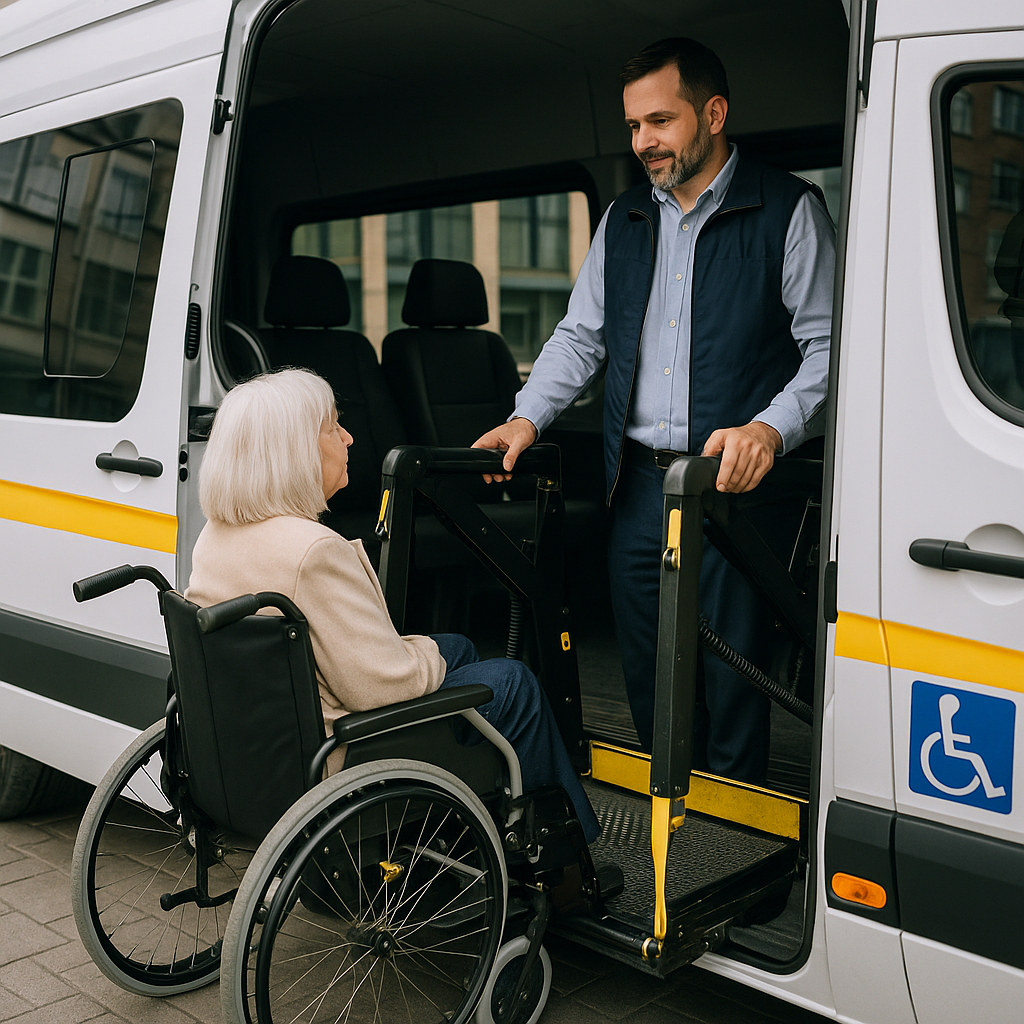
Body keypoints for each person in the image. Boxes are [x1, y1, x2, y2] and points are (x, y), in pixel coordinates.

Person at [473, 38, 835, 783]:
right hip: (636, 488)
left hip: (733, 489)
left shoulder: (789, 209)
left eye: (660, 122)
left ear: (713, 112)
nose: (643, 143)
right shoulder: (625, 219)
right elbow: (580, 338)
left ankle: (732, 855)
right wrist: (525, 418)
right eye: (635, 125)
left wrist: (771, 428)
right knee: (646, 666)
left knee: (734, 682)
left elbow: (829, 352)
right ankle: (672, 834)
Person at [185, 367, 599, 841]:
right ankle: (568, 853)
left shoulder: (216, 537)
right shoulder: (310, 551)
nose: (349, 437)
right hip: (342, 756)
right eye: (333, 427)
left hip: (265, 745)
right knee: (514, 684)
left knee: (459, 647)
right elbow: (381, 688)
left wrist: (430, 653)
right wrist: (424, 656)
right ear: (292, 449)